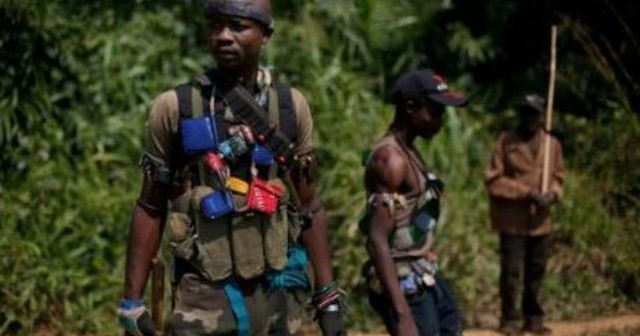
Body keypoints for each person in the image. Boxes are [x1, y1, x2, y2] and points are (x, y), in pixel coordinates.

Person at [117, 1, 346, 335]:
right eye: (215, 25)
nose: (223, 36)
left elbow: (309, 205)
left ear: (266, 34)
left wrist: (328, 297)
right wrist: (131, 303)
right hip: (203, 297)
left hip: (277, 293)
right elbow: (151, 206)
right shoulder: (175, 107)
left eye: (237, 26)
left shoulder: (289, 107)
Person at [359, 69, 467, 336]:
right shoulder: (390, 160)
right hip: (402, 283)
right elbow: (376, 239)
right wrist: (402, 314)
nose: (440, 121)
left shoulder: (408, 149)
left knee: (451, 324)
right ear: (410, 108)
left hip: (419, 273)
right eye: (435, 111)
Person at [484, 94, 565, 335]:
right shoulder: (506, 142)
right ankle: (509, 318)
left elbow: (559, 177)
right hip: (512, 221)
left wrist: (552, 194)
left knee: (536, 269)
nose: (528, 119)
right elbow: (493, 179)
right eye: (524, 113)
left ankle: (534, 316)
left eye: (533, 114)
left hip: (541, 220)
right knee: (511, 271)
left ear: (542, 116)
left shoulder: (552, 145)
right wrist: (527, 193)